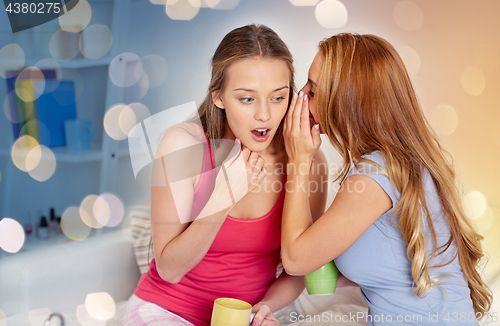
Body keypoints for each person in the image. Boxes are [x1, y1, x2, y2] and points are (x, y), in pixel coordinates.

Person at [119, 24, 328, 326]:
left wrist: (265, 308)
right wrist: (224, 197)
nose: (264, 115)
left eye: (277, 97)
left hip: (247, 317)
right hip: (167, 310)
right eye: (247, 98)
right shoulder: (182, 145)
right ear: (218, 96)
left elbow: (299, 268)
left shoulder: (308, 160)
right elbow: (169, 268)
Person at [281, 33, 492, 325]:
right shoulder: (396, 164)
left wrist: (298, 160)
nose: (301, 97)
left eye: (313, 91)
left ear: (348, 102)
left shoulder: (375, 176)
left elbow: (295, 259)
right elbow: (386, 267)